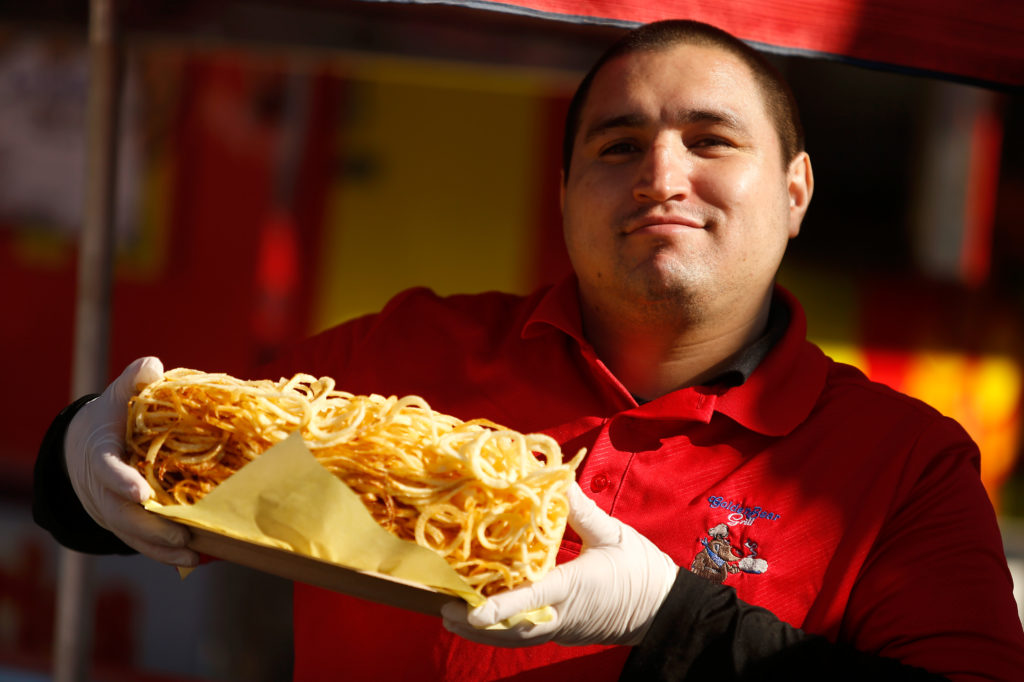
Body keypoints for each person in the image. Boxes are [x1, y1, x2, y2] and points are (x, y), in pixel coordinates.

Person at [33, 19, 1024, 681]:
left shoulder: (900, 467)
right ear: (563, 198)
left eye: (711, 140)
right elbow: (148, 466)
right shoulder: (411, 350)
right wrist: (80, 454)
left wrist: (668, 616)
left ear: (797, 191)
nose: (661, 174)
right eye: (616, 145)